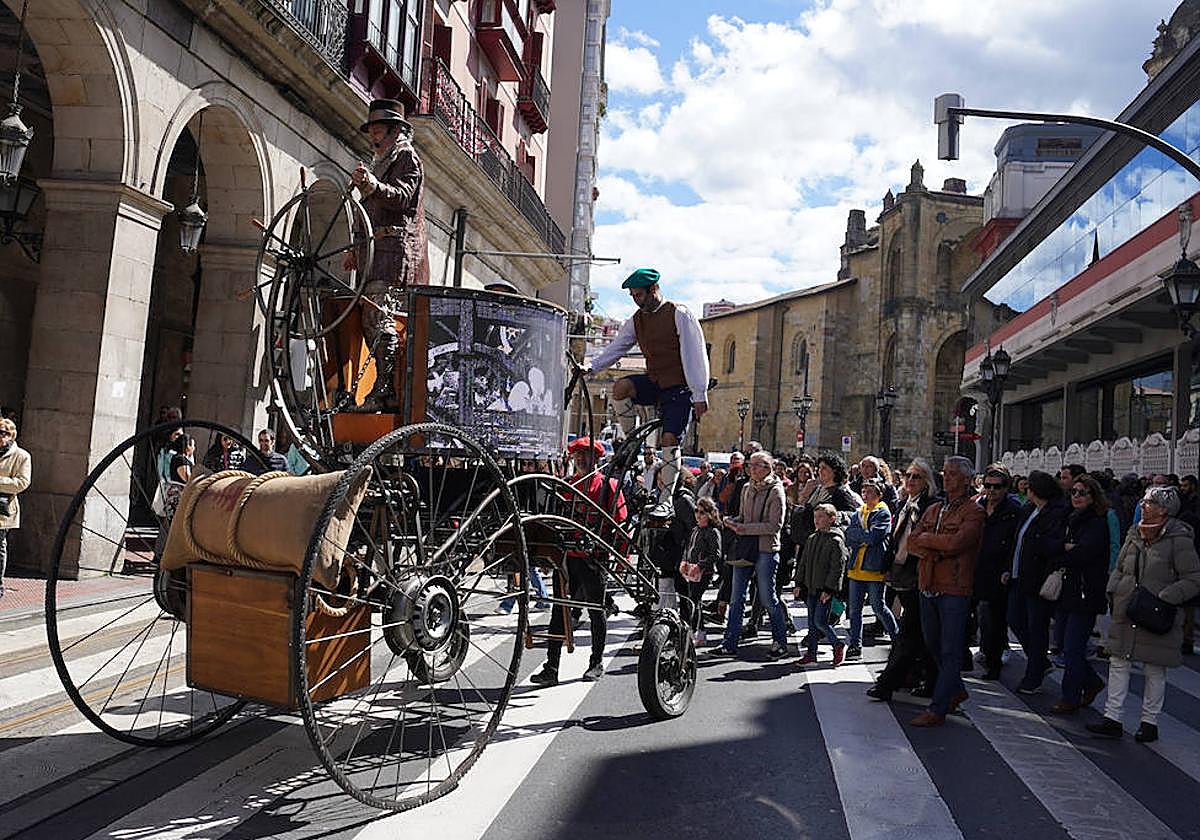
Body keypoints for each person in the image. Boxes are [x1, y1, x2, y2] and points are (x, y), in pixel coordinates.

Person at [586, 268, 710, 518]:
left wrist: (699, 393)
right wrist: (591, 366)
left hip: (680, 388)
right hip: (655, 383)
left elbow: (695, 355)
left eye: (639, 294)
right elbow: (618, 346)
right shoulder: (637, 320)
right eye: (632, 295)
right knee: (620, 388)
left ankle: (665, 501)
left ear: (654, 290)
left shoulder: (679, 314)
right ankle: (632, 439)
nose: (636, 299)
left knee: (668, 440)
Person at [1088, 486, 1200, 743]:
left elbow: (1193, 579)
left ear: (1164, 509)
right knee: (1118, 664)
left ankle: (1149, 722)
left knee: (1154, 668)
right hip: (1127, 610)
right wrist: (1113, 589)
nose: (1143, 505)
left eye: (1149, 502)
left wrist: (1166, 597)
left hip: (1157, 613)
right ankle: (1112, 718)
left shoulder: (1179, 539)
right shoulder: (1135, 533)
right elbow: (1120, 567)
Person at [348, 98, 428, 412]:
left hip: (393, 255)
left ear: (395, 132)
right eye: (372, 131)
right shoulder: (382, 160)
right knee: (371, 320)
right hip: (375, 255)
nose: (373, 137)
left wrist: (372, 185)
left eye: (378, 131)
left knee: (378, 320)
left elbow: (401, 198)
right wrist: (356, 250)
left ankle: (385, 391)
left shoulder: (406, 157)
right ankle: (381, 388)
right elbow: (368, 212)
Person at [530, 437, 627, 685]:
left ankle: (596, 663)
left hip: (594, 559)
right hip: (566, 559)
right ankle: (551, 667)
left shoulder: (609, 485)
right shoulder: (567, 485)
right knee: (558, 612)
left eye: (586, 455)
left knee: (596, 611)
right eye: (578, 455)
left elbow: (620, 523)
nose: (581, 459)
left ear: (596, 459)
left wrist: (620, 556)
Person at [907, 456, 984, 727]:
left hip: (954, 586)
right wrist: (932, 545)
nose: (947, 477)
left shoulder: (973, 510)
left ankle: (938, 707)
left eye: (953, 474)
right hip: (928, 582)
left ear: (965, 480)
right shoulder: (935, 509)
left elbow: (957, 544)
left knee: (950, 648)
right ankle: (955, 689)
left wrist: (930, 542)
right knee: (933, 644)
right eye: (945, 473)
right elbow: (913, 542)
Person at [867, 458, 939, 701]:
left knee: (911, 631)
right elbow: (896, 539)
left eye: (916, 476)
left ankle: (888, 683)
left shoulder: (931, 505)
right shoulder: (905, 503)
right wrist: (887, 567)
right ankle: (920, 678)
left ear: (927, 481)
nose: (910, 480)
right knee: (917, 632)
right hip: (901, 574)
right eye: (908, 475)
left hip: (918, 575)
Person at [710, 451, 788, 659]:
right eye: (750, 465)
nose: (751, 469)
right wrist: (731, 521)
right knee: (736, 598)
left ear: (768, 468)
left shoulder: (776, 491)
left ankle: (780, 641)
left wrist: (744, 528)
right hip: (745, 547)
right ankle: (729, 643)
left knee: (768, 598)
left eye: (756, 465)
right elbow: (743, 516)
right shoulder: (746, 487)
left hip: (765, 548)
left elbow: (775, 526)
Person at [1007, 470, 1070, 695]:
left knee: (1037, 628)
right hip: (1018, 575)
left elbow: (1052, 544)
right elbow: (1018, 540)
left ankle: (1033, 674)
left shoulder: (1057, 512)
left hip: (1038, 578)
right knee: (1014, 620)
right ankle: (1039, 661)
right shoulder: (1028, 510)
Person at [1051, 474, 1110, 714]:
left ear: (1093, 497)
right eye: (1073, 491)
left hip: (1085, 593)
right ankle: (1092, 682)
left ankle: (1070, 696)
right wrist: (1062, 548)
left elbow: (1083, 554)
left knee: (1074, 647)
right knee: (1064, 643)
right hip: (1067, 590)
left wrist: (1064, 550)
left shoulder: (1096, 523)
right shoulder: (1068, 518)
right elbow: (1050, 545)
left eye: (1082, 492)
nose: (1076, 496)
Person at [975, 463, 1023, 680]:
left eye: (997, 486)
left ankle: (994, 663)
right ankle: (981, 652)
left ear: (1006, 487)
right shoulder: (978, 506)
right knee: (975, 617)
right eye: (988, 485)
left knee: (994, 619)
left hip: (998, 572)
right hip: (976, 567)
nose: (992, 490)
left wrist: (1007, 569)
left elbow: (1016, 544)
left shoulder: (1013, 511)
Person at [842, 479, 897, 659]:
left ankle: (897, 638)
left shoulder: (883, 512)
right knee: (854, 610)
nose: (866, 495)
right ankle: (855, 645)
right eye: (864, 491)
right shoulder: (858, 512)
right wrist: (862, 537)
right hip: (856, 567)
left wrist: (861, 537)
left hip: (873, 568)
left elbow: (875, 537)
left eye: (871, 492)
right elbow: (849, 536)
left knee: (878, 606)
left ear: (879, 494)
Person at [795, 503, 848, 666]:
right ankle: (811, 654)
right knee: (811, 622)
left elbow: (837, 568)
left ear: (832, 519)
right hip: (810, 586)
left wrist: (830, 589)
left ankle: (838, 644)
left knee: (820, 621)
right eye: (815, 517)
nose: (816, 520)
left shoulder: (836, 540)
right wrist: (799, 582)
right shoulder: (812, 538)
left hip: (824, 589)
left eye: (821, 517)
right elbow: (803, 562)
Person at [679, 496, 722, 646]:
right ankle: (699, 633)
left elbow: (716, 554)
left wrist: (700, 565)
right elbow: (688, 548)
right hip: (692, 570)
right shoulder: (696, 530)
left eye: (702, 512)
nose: (698, 514)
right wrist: (685, 561)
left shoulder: (712, 531)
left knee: (694, 600)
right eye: (696, 511)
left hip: (704, 572)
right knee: (694, 601)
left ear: (710, 514)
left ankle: (695, 632)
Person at [0, 418, 31, 598]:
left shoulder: (22, 456)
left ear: (11, 435)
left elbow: (22, 482)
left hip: (3, 510)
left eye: (2, 433)